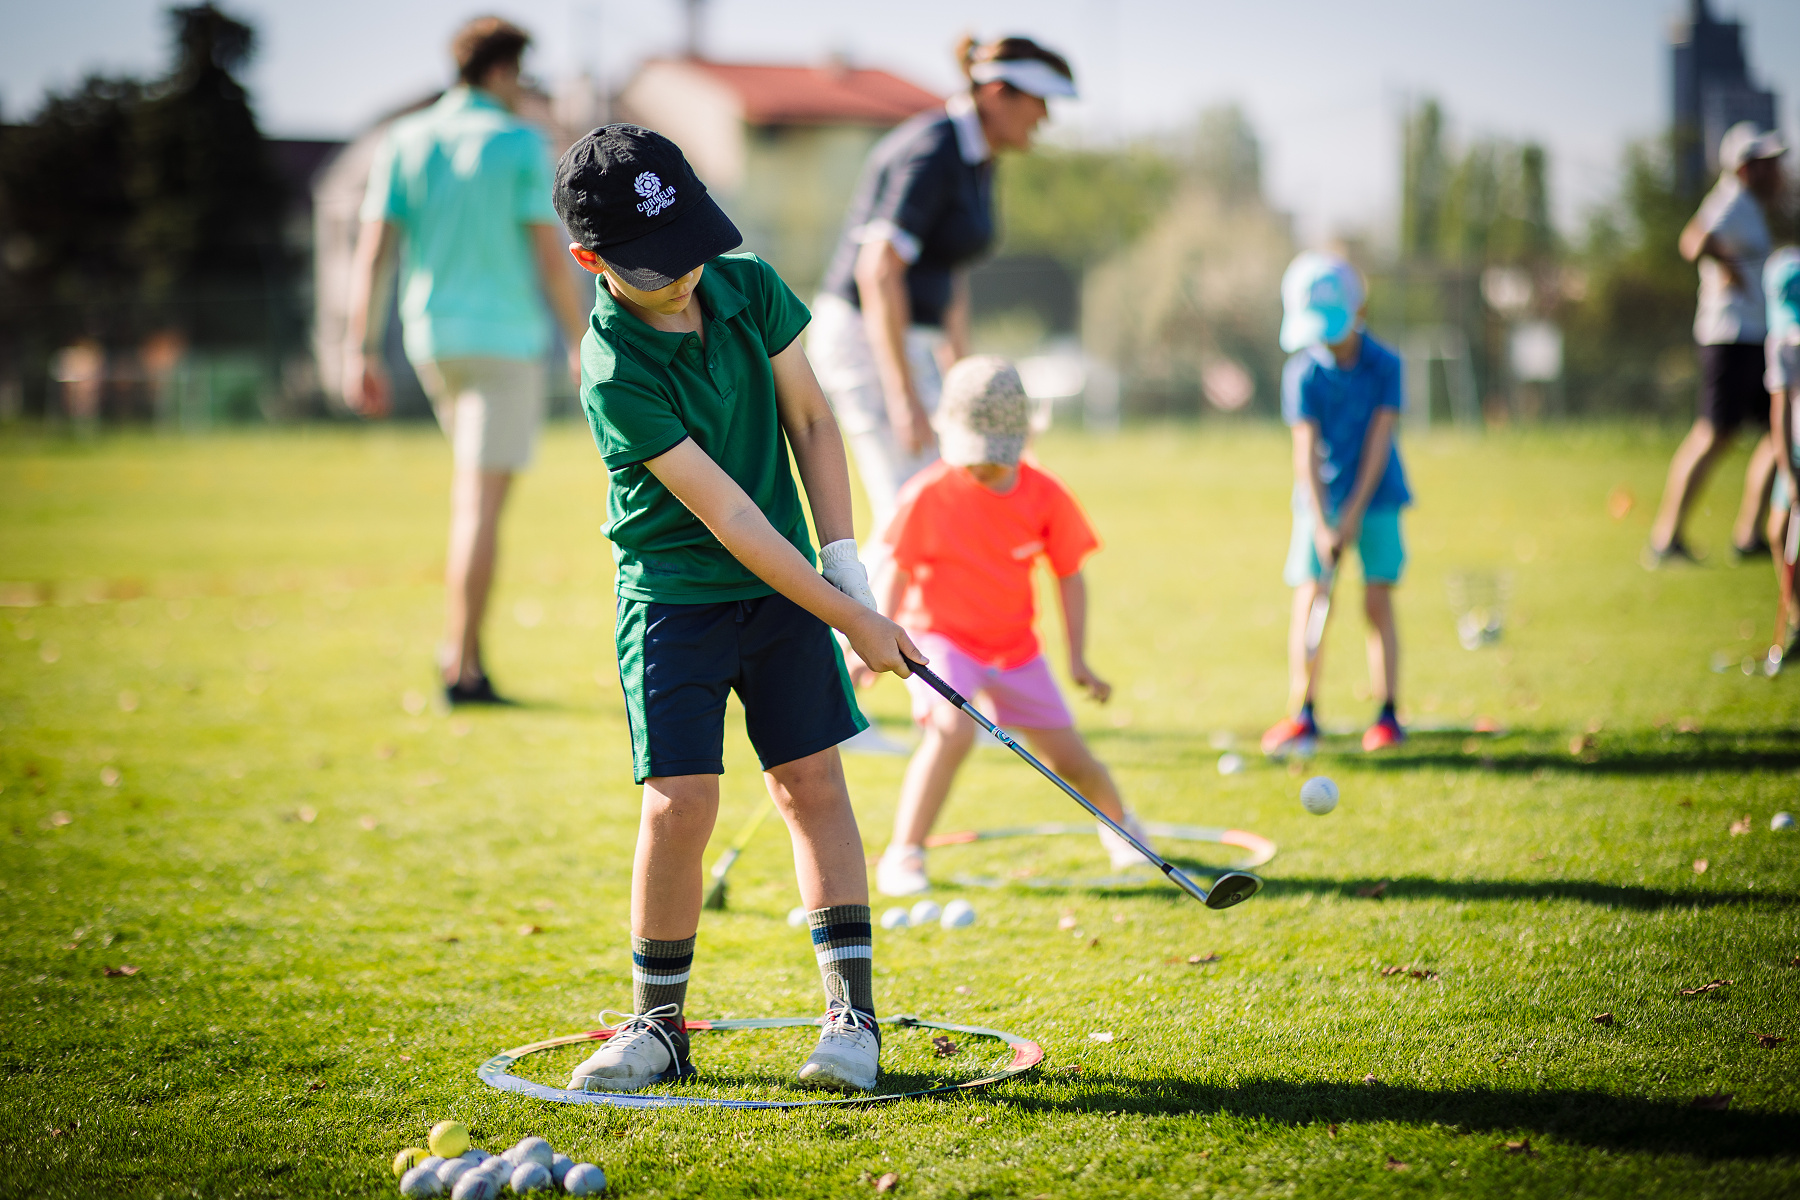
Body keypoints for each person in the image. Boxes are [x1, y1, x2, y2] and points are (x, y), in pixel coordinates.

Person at [550, 124, 922, 1095]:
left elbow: (812, 419)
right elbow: (733, 519)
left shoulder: (748, 287)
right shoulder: (612, 367)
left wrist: (847, 566)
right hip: (677, 603)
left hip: (787, 586)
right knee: (681, 804)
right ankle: (659, 1027)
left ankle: (852, 1020)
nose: (683, 277)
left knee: (811, 785)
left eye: (689, 249)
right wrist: (852, 619)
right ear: (591, 261)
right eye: (654, 266)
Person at [809, 35, 1077, 754]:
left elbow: (948, 275)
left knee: (932, 511)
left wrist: (963, 385)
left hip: (913, 344)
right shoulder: (931, 150)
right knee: (911, 514)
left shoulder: (978, 160)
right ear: (998, 93)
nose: (1045, 119)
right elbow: (877, 273)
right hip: (868, 341)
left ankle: (927, 694)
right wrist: (903, 394)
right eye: (1039, 102)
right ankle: (830, 706)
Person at [343, 16, 589, 705]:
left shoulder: (405, 138)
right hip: (503, 342)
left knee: (472, 497)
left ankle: (462, 653)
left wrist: (359, 348)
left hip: (432, 341)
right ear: (501, 70)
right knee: (479, 506)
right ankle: (462, 665)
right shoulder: (517, 141)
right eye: (521, 75)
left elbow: (373, 252)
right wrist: (579, 338)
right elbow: (549, 254)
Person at [847, 356, 1155, 897]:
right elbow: (897, 568)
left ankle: (1123, 830)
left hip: (1015, 649)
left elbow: (1069, 575)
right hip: (940, 640)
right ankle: (906, 852)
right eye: (975, 456)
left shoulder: (1046, 494)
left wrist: (1078, 659)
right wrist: (872, 641)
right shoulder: (926, 493)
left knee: (1071, 758)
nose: (984, 468)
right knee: (952, 730)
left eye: (995, 457)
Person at [1261, 253, 1411, 757]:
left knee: (1376, 601)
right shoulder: (1303, 372)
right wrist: (1325, 522)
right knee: (1312, 595)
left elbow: (1379, 444)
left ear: (1356, 309)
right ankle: (1302, 712)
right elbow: (1305, 451)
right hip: (1317, 499)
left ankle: (1388, 713)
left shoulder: (1385, 365)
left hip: (1378, 495)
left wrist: (1351, 515)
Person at [1645, 122, 1788, 568]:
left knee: (1778, 433)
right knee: (1713, 434)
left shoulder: (1749, 205)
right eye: (1766, 163)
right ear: (1745, 169)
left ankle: (1750, 533)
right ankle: (1666, 538)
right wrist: (1728, 265)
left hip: (1754, 337)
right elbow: (1694, 241)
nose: (1776, 170)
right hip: (1731, 337)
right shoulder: (1730, 200)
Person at [1763, 246, 1800, 672]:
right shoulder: (1779, 340)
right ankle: (1798, 624)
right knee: (1778, 532)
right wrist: (1789, 475)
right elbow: (1781, 411)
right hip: (1796, 449)